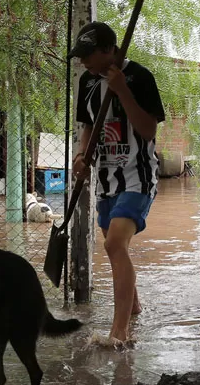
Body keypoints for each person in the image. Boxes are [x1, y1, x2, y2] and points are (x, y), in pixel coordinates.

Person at [69, 21, 165, 346]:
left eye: (88, 54)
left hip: (137, 176)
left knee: (113, 244)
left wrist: (123, 90)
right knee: (115, 248)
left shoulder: (140, 77)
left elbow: (149, 130)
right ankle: (134, 308)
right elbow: (87, 126)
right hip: (105, 180)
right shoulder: (86, 82)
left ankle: (120, 331)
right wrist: (82, 155)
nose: (83, 62)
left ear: (109, 50)